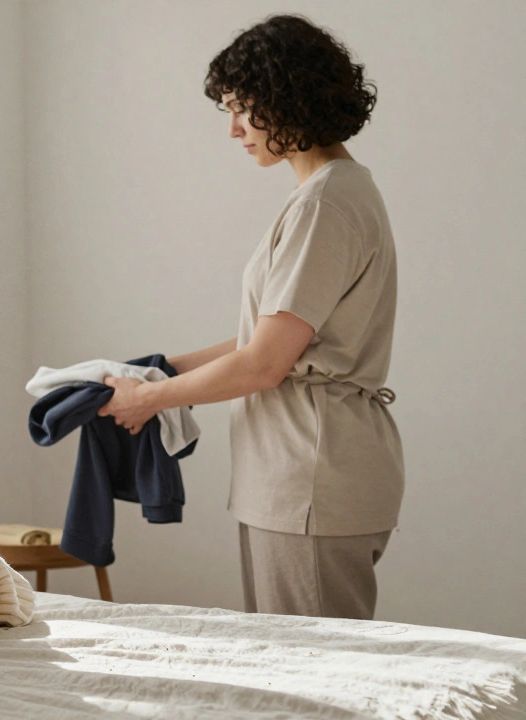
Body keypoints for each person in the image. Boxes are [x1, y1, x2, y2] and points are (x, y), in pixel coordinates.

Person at [98, 14, 403, 620]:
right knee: (299, 670)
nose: (234, 129)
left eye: (242, 108)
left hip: (307, 476)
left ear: (287, 97)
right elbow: (267, 340)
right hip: (305, 471)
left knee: (313, 683)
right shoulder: (333, 194)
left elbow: (264, 364)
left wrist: (148, 401)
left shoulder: (325, 204)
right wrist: (158, 371)